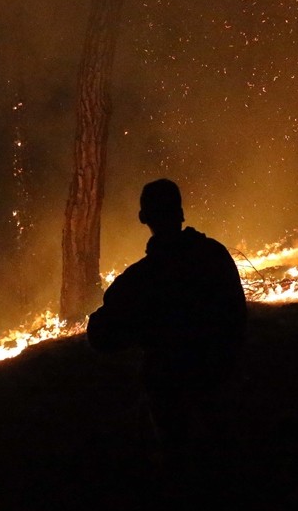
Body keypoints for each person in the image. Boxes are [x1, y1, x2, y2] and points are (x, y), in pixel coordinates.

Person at [87, 179, 247, 467]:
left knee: (177, 459)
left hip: (171, 390)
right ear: (181, 213)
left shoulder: (139, 280)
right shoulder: (215, 255)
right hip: (221, 377)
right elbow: (237, 315)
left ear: (143, 218)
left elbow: (99, 335)